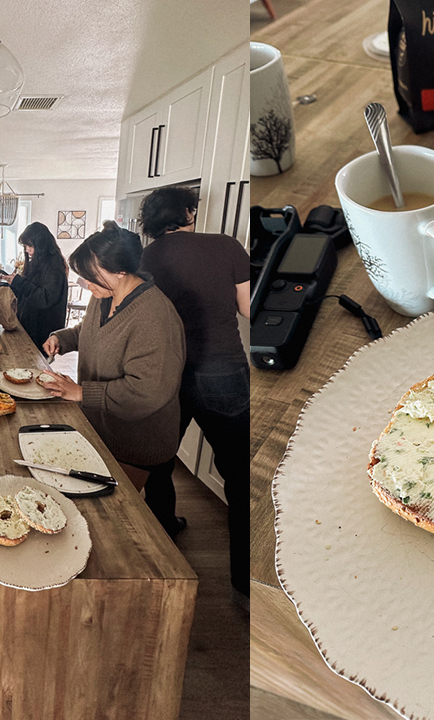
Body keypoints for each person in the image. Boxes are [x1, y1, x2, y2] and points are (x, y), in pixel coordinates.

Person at [39, 221, 187, 536]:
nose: (83, 283)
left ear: (120, 271)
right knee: (157, 493)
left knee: (133, 519)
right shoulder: (105, 295)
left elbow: (147, 393)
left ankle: (168, 539)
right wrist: (61, 338)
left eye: (89, 276)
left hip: (140, 436)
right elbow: (89, 332)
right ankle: (170, 528)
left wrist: (80, 393)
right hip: (108, 427)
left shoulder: (155, 317)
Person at [138, 186, 251, 597]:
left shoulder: (147, 258)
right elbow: (248, 308)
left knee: (159, 458)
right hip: (223, 371)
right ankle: (243, 575)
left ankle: (162, 533)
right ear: (188, 212)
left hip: (170, 370)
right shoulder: (226, 246)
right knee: (239, 477)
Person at [0, 222, 69, 350]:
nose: (27, 250)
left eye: (30, 246)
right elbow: (27, 294)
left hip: (42, 330)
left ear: (41, 244)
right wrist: (13, 284)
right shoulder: (38, 261)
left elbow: (44, 298)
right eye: (25, 246)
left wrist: (20, 282)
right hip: (31, 325)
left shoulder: (54, 265)